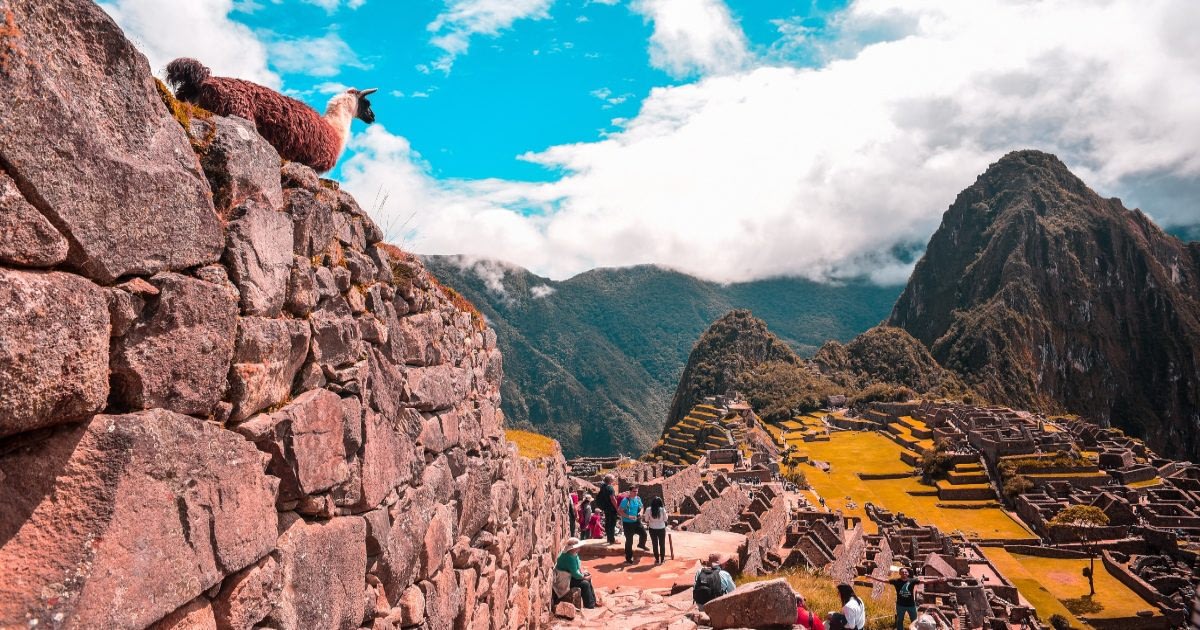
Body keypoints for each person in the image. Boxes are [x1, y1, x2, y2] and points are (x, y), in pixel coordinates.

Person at [866, 566, 943, 629]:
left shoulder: (912, 581)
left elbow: (925, 582)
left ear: (908, 573)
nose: (904, 573)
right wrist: (872, 577)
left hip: (911, 605)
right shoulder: (896, 581)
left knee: (915, 621)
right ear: (900, 573)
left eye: (905, 572)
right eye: (902, 572)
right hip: (900, 605)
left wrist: (937, 580)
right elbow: (884, 580)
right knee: (900, 621)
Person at [554, 537, 596, 609]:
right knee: (585, 584)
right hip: (565, 580)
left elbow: (578, 563)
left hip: (569, 575)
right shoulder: (569, 558)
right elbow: (575, 574)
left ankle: (593, 601)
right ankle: (590, 605)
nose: (579, 548)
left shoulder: (572, 553)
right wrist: (584, 577)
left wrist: (583, 573)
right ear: (573, 548)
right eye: (577, 547)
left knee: (587, 578)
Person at [619, 487, 647, 564]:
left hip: (636, 521)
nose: (636, 493)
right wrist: (628, 516)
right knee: (629, 541)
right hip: (627, 523)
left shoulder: (638, 498)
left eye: (637, 491)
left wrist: (641, 513)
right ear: (630, 492)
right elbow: (620, 511)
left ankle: (641, 545)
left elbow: (642, 507)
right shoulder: (625, 500)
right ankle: (628, 558)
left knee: (644, 534)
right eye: (634, 491)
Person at [596, 475, 619, 544]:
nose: (614, 480)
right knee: (612, 524)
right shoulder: (610, 488)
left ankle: (609, 539)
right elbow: (612, 499)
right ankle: (612, 540)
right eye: (614, 479)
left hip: (605, 508)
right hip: (611, 508)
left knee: (608, 523)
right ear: (610, 480)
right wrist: (617, 508)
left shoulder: (603, 486)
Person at [645, 496, 668, 564]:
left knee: (655, 544)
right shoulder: (662, 509)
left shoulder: (648, 509)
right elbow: (665, 519)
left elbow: (646, 519)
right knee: (662, 544)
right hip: (661, 528)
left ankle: (657, 559)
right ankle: (662, 559)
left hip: (652, 528)